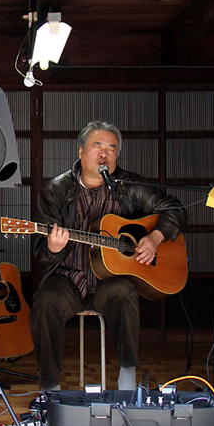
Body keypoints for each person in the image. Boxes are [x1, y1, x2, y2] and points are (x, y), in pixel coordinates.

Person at [30, 121, 187, 394]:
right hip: (67, 278)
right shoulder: (56, 190)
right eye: (97, 146)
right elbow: (40, 252)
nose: (105, 153)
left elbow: (175, 209)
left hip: (110, 280)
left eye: (112, 148)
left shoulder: (130, 187)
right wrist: (53, 248)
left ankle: (127, 379)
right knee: (45, 303)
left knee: (124, 293)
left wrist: (155, 237)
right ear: (81, 151)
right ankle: (50, 389)